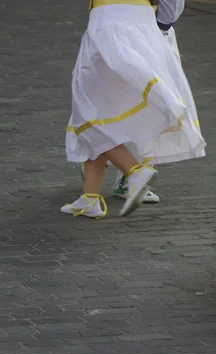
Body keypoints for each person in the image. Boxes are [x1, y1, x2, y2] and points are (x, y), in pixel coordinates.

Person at [62, 0, 205, 219]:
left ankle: (135, 172)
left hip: (112, 23)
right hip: (142, 25)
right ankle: (90, 197)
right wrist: (161, 27)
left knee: (89, 109)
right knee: (101, 109)